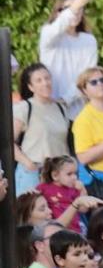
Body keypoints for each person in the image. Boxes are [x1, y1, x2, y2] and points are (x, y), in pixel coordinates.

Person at [13, 64, 72, 197]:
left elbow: (64, 142)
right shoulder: (24, 108)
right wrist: (28, 163)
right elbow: (8, 142)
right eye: (38, 80)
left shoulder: (60, 108)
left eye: (47, 78)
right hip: (34, 172)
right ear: (30, 86)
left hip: (58, 174)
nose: (45, 83)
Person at [39, 0, 98, 115]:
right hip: (49, 107)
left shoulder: (89, 40)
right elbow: (57, 28)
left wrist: (65, 100)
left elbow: (86, 76)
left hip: (78, 109)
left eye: (79, 8)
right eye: (67, 8)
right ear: (57, 13)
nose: (75, 12)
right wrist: (76, 5)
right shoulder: (48, 33)